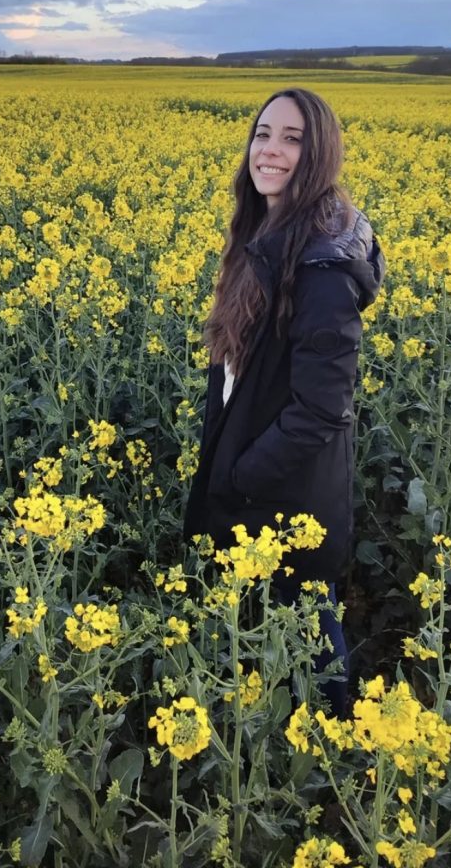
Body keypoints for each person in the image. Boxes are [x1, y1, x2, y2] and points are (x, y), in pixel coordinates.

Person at [182, 87, 386, 717]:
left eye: (292, 139)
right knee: (276, 623)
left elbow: (323, 407)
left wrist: (242, 475)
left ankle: (332, 752)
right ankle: (278, 738)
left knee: (311, 627)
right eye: (263, 133)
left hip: (288, 489)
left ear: (318, 154)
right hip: (260, 471)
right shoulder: (266, 233)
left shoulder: (323, 267)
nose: (269, 150)